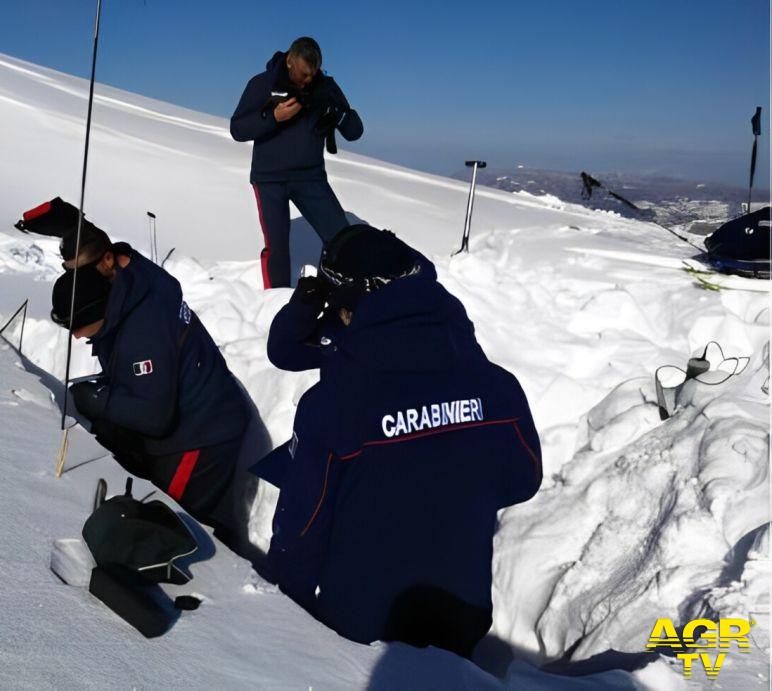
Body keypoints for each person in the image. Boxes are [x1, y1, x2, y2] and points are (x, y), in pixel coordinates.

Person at [252, 225, 542, 658]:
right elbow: (523, 479)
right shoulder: (497, 386)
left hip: (362, 622)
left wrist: (278, 623)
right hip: (463, 608)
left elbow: (303, 531)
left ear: (350, 305)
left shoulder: (334, 405)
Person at [49, 223, 250, 529]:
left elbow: (155, 417)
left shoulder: (142, 332)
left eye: (76, 326)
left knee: (181, 521)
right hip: (182, 409)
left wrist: (99, 400)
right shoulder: (131, 283)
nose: (75, 336)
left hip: (202, 435)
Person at [230, 36, 363, 289]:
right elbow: (237, 129)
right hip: (270, 179)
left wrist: (336, 113)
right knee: (277, 249)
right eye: (303, 75)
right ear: (290, 62)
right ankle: (275, 302)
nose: (308, 81)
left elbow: (355, 131)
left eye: (313, 75)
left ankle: (339, 294)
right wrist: (273, 117)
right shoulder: (262, 84)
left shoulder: (325, 87)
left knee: (340, 239)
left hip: (311, 178)